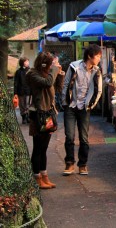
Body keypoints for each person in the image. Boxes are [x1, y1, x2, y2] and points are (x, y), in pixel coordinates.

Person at [61, 44, 102, 176]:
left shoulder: (97, 71)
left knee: (84, 138)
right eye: (98, 56)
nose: (99, 59)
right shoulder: (74, 66)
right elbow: (66, 84)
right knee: (69, 136)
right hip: (71, 106)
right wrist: (64, 101)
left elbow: (99, 90)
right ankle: (69, 163)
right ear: (90, 56)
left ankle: (82, 165)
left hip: (85, 108)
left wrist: (91, 105)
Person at [26, 52, 65, 189]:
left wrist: (60, 75)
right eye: (50, 64)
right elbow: (47, 83)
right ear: (45, 64)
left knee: (44, 148)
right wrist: (54, 71)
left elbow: (58, 89)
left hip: (48, 115)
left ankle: (44, 176)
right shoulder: (32, 74)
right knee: (38, 148)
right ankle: (36, 178)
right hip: (38, 115)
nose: (51, 67)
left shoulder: (48, 75)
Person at [14, 57, 31, 124]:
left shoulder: (30, 70)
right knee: (22, 105)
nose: (27, 62)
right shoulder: (18, 72)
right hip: (20, 91)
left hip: (28, 91)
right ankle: (23, 117)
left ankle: (27, 117)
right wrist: (15, 93)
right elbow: (16, 82)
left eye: (27, 61)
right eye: (26, 61)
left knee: (27, 104)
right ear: (22, 62)